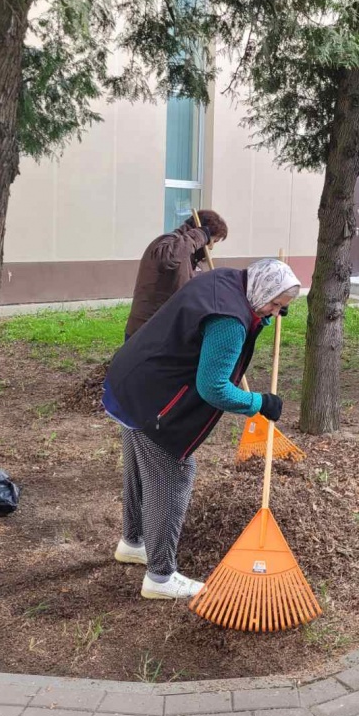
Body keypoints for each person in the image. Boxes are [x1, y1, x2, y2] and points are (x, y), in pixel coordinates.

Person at [103, 258, 300, 600]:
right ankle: (160, 577)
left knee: (139, 463)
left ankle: (133, 543)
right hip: (156, 400)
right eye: (274, 304)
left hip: (134, 380)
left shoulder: (226, 280)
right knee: (173, 472)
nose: (274, 314)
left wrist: (264, 315)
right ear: (260, 289)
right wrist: (260, 403)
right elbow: (214, 388)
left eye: (281, 308)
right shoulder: (230, 320)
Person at [125, 210, 228, 339]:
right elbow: (168, 258)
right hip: (147, 330)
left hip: (168, 331)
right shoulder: (167, 242)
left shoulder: (191, 257)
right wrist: (200, 235)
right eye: (213, 241)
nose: (211, 247)